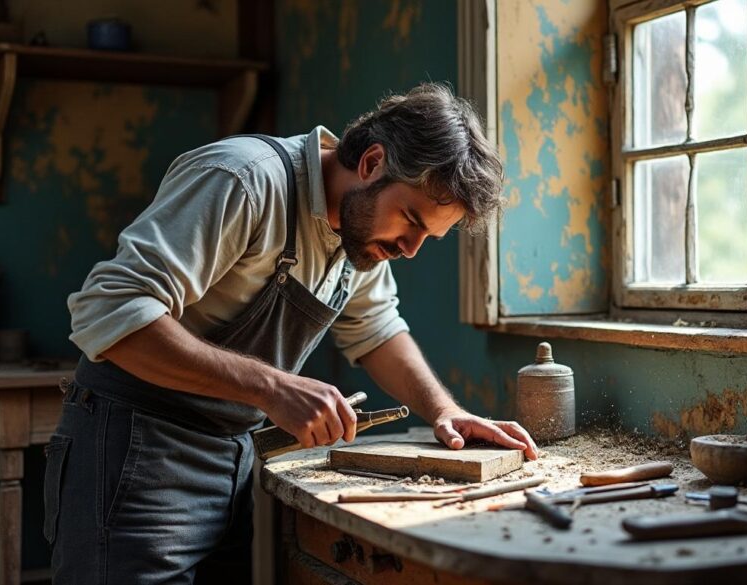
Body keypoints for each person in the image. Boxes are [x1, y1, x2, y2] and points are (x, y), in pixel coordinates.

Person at [45, 83, 539, 583]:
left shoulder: (360, 233)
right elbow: (111, 309)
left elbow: (377, 329)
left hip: (231, 458)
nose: (410, 249)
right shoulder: (244, 180)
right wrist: (272, 387)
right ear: (372, 163)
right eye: (410, 220)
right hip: (133, 452)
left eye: (427, 236)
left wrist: (445, 411)